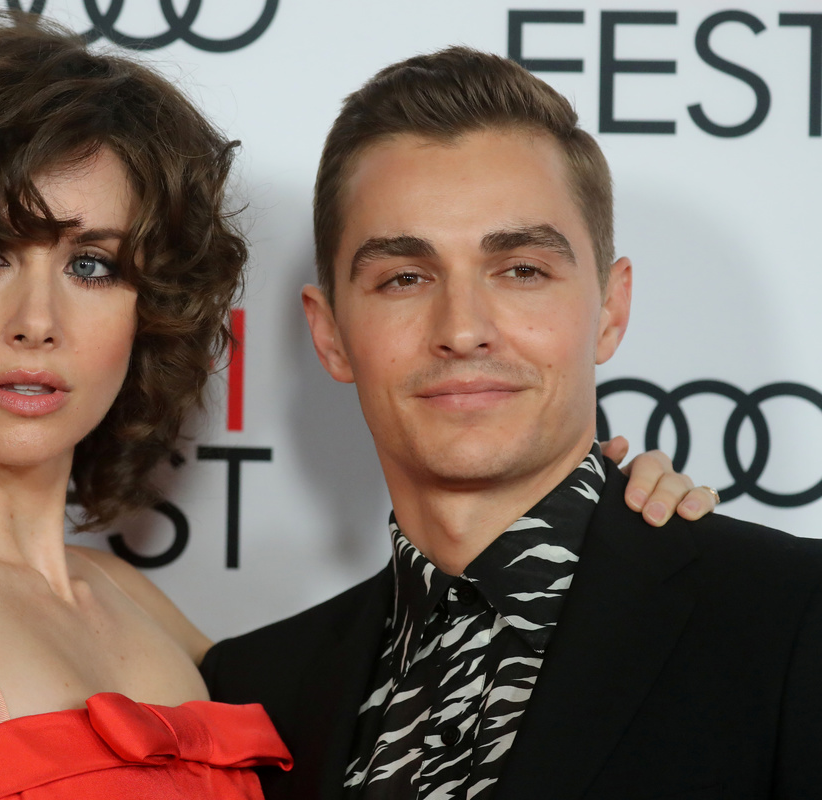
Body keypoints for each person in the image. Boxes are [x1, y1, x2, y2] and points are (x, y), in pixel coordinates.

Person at [0, 14, 714, 800]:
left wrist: (615, 537)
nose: (36, 321)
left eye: (93, 264)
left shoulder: (159, 623)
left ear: (149, 309)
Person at [201, 46, 822, 800]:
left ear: (611, 309)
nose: (463, 330)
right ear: (329, 333)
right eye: (404, 277)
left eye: (522, 270)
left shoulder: (792, 620)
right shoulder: (255, 691)